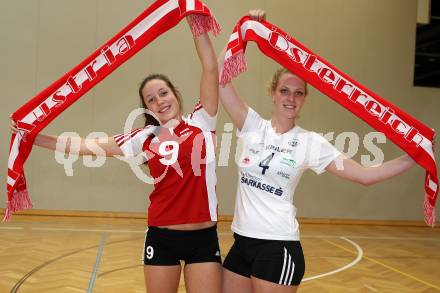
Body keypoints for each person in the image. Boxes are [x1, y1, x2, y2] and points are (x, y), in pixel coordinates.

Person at [10, 19, 221, 293]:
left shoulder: (203, 120)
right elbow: (84, 146)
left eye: (163, 93)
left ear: (176, 94)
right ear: (147, 108)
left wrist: (194, 19)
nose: (160, 101)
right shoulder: (143, 137)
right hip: (162, 237)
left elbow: (211, 68)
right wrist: (34, 137)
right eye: (151, 99)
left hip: (203, 239)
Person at [218, 9, 417, 293]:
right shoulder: (252, 126)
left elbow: (363, 175)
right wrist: (243, 32)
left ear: (305, 99)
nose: (291, 98)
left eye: (299, 93)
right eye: (285, 90)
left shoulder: (311, 143)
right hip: (242, 243)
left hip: (278, 248)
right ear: (273, 92)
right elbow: (221, 80)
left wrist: (411, 157)